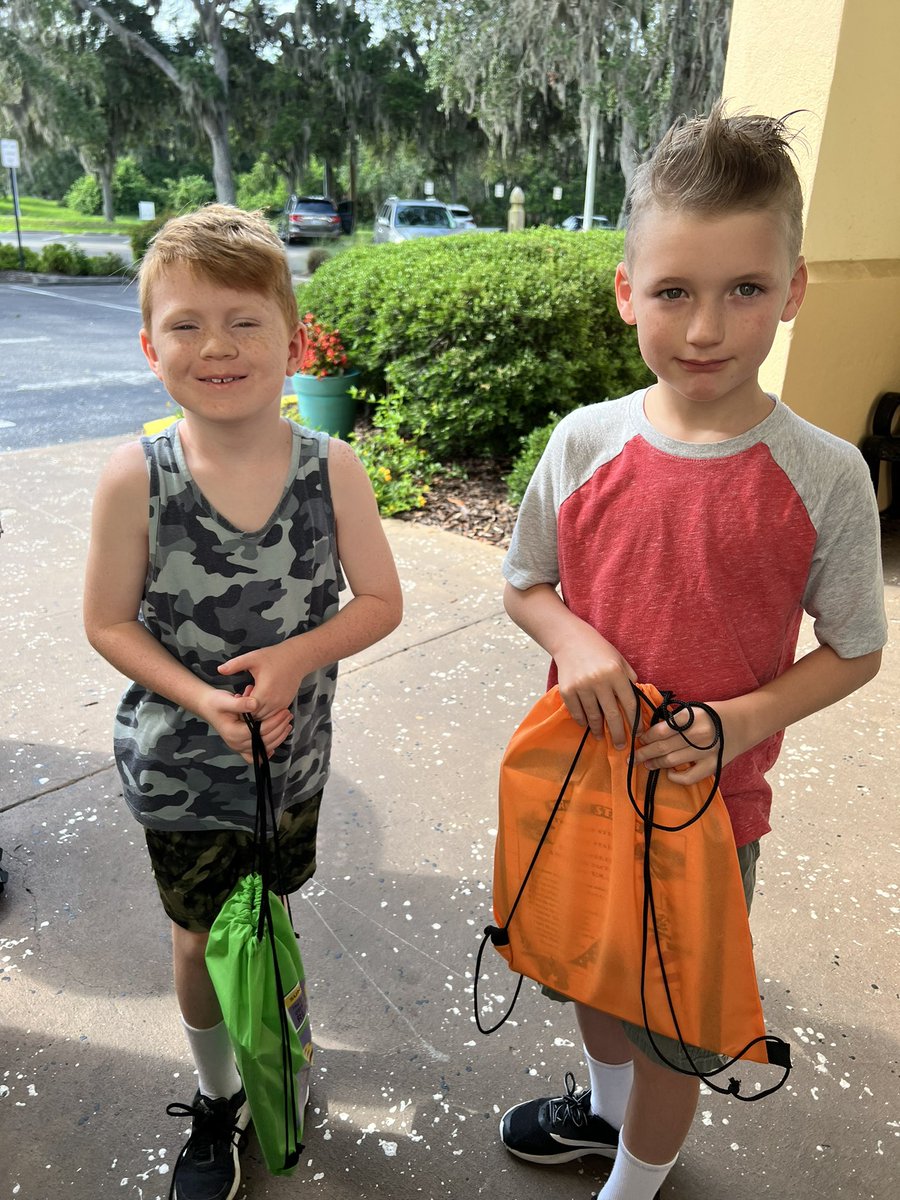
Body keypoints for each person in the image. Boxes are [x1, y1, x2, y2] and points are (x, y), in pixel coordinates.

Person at [498, 102, 887, 1200]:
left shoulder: (824, 475)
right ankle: (602, 1114)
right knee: (589, 977)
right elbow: (525, 583)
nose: (707, 328)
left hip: (706, 814)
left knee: (673, 1029)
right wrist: (573, 637)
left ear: (794, 289)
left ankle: (635, 1183)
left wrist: (738, 724)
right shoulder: (585, 442)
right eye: (674, 291)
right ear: (627, 291)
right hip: (581, 790)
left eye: (744, 290)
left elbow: (856, 649)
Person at [83, 204, 403, 1200]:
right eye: (186, 324)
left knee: (266, 917)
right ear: (151, 348)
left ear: (295, 343)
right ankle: (219, 1095)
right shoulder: (136, 478)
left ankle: (277, 1042)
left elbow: (381, 602)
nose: (216, 346)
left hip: (288, 770)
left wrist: (298, 657)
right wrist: (197, 696)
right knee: (197, 937)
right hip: (180, 772)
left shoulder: (331, 469)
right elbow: (108, 622)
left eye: (244, 321)